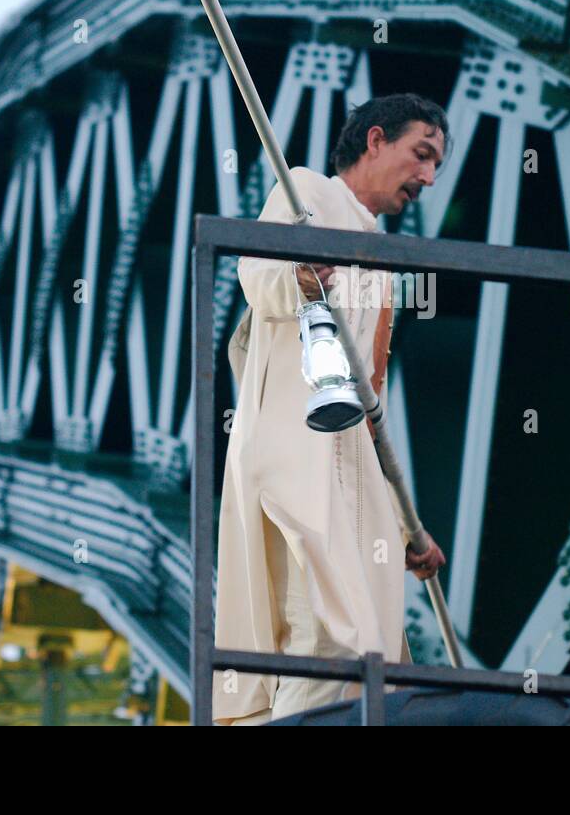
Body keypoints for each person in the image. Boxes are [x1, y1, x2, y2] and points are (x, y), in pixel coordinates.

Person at [213, 93, 451, 725]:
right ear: (375, 141)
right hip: (299, 463)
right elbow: (257, 271)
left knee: (355, 656)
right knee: (329, 641)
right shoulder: (306, 192)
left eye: (437, 167)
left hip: (351, 484)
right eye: (420, 155)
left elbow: (371, 405)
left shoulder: (383, 263)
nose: (428, 178)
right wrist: (299, 275)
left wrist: (408, 528)